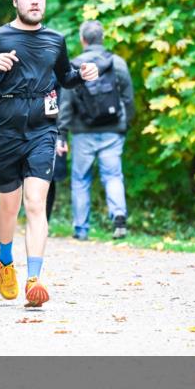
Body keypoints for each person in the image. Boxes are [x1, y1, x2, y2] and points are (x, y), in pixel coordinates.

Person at [0, 0, 98, 308]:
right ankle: (5, 258)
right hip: (6, 132)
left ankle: (34, 279)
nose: (35, 2)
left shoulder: (55, 39)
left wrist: (81, 75)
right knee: (10, 206)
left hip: (43, 131)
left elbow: (64, 77)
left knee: (36, 203)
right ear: (15, 1)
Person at [57, 20, 135, 240]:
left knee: (81, 179)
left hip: (83, 132)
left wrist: (61, 133)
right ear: (102, 38)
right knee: (113, 175)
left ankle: (81, 230)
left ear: (83, 40)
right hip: (113, 130)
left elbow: (65, 104)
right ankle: (119, 215)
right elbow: (128, 98)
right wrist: (125, 123)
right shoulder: (117, 63)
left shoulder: (74, 66)